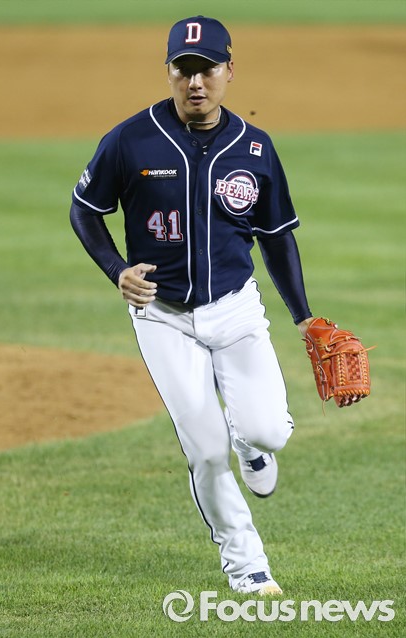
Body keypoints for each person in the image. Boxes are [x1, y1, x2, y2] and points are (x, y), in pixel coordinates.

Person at [69, 16, 346, 595]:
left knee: (268, 432)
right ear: (169, 71)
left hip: (236, 309)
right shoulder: (130, 139)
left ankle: (251, 443)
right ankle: (247, 565)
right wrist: (118, 271)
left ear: (229, 71)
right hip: (163, 316)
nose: (195, 82)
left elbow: (277, 236)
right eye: (184, 69)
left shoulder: (255, 146)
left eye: (207, 69)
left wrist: (303, 316)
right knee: (205, 448)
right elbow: (85, 210)